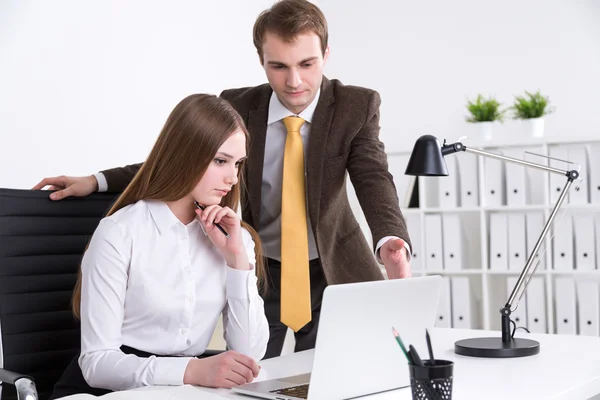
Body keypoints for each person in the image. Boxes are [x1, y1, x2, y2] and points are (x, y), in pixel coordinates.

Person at [34, 0, 412, 360]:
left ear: (326, 55)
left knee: (353, 370)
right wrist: (97, 180)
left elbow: (373, 176)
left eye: (307, 64)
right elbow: (182, 159)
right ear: (261, 60)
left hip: (333, 266)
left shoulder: (355, 106)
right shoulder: (240, 104)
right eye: (278, 66)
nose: (294, 81)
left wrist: (391, 238)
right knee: (257, 373)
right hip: (261, 264)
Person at [48, 94, 269, 399]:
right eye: (220, 161)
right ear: (184, 155)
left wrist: (237, 261)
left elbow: (249, 356)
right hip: (107, 391)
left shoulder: (234, 239)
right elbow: (96, 363)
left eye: (238, 163)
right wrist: (192, 371)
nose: (232, 177)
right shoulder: (120, 233)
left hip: (184, 390)